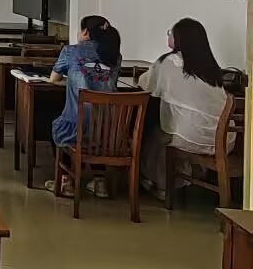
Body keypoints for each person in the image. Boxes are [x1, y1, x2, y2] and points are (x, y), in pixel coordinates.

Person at [138, 18, 231, 200]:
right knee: (169, 126)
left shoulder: (169, 61)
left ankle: (161, 184)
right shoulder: (211, 66)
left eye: (170, 33)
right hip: (223, 138)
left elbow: (145, 84)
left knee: (157, 132)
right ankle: (183, 178)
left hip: (189, 136)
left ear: (178, 38)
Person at [44, 15, 122, 197]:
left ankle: (66, 182)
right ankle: (100, 182)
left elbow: (53, 79)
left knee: (58, 123)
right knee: (96, 128)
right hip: (108, 132)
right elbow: (111, 84)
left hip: (77, 129)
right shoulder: (115, 56)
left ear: (85, 32)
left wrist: (73, 81)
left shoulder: (70, 51)